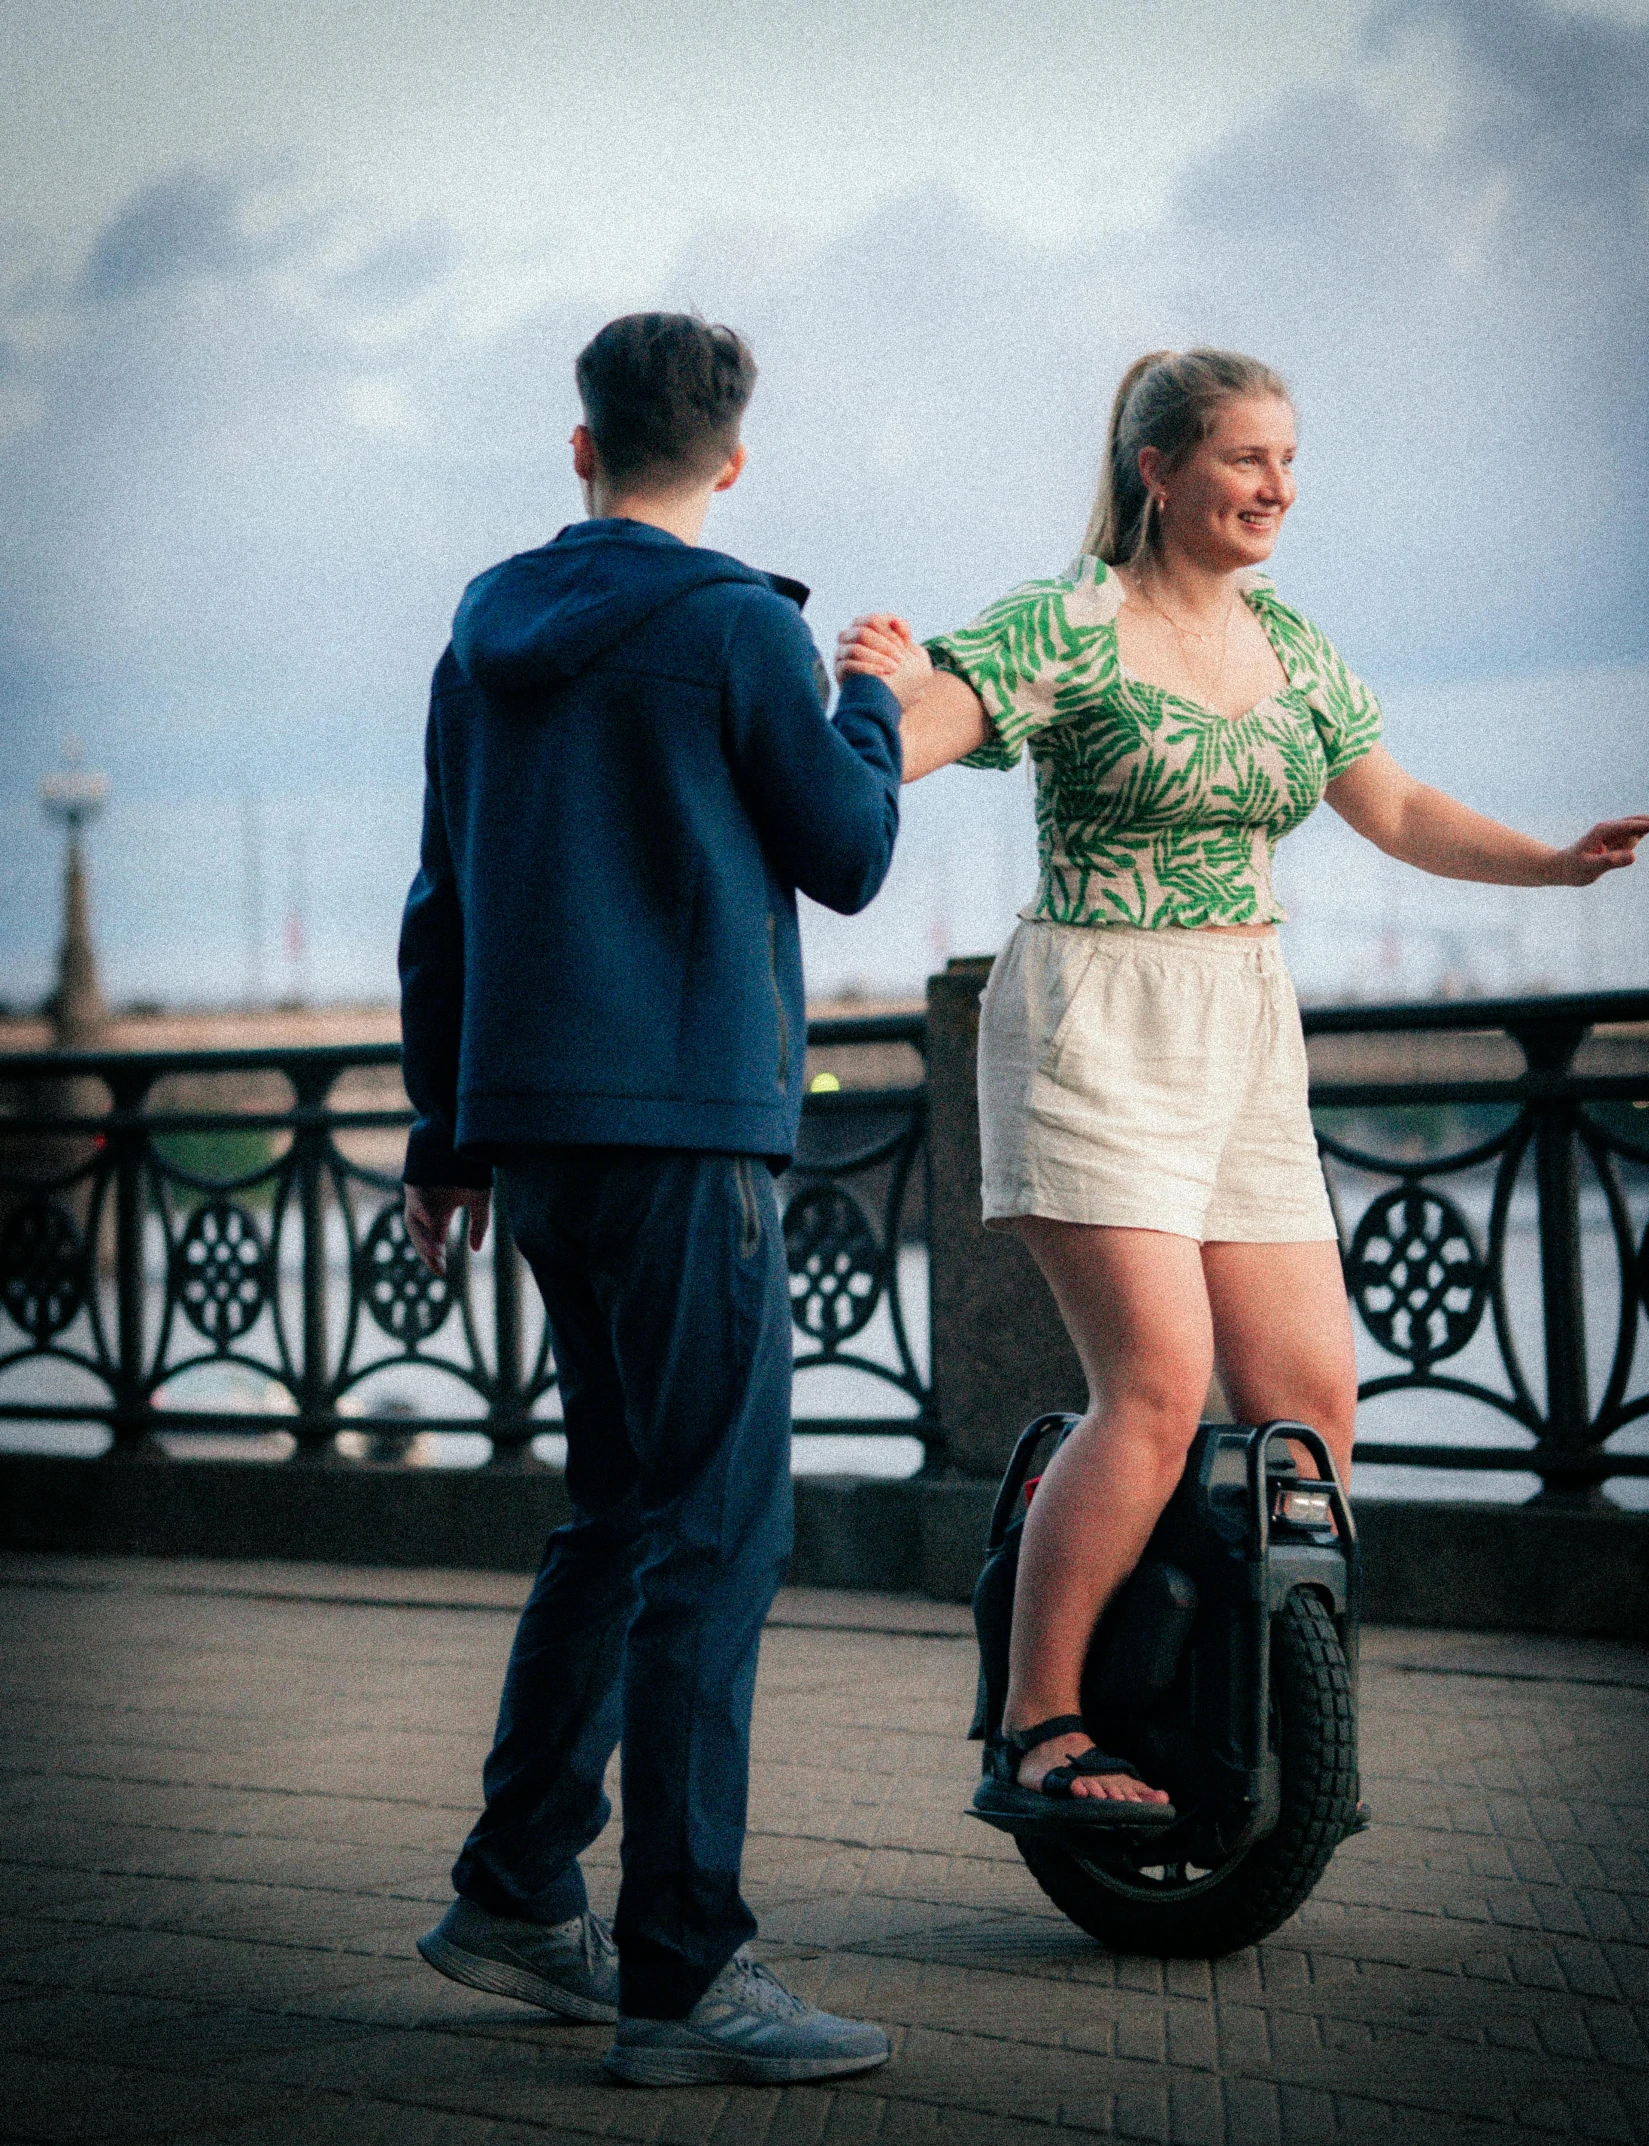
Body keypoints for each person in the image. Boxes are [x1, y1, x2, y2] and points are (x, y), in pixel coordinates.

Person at [835, 346, 1649, 1827]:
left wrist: (1553, 860)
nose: (1278, 485)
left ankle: (1264, 1700)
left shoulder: (1291, 644)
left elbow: (1396, 802)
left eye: (1290, 459)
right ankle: (1037, 1724)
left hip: (1241, 1030)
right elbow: (920, 739)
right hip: (1094, 1019)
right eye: (1246, 458)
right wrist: (873, 698)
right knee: (1155, 1389)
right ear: (1157, 470)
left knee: (1312, 1406)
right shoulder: (1071, 623)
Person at [398, 313, 900, 2084]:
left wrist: (443, 1132)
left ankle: (525, 1890)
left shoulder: (483, 623)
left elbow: (443, 890)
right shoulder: (739, 626)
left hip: (533, 1134)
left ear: (582, 446)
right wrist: (876, 700)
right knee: (715, 1536)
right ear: (735, 458)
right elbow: (843, 850)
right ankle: (686, 1974)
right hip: (689, 1132)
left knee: (616, 1512)